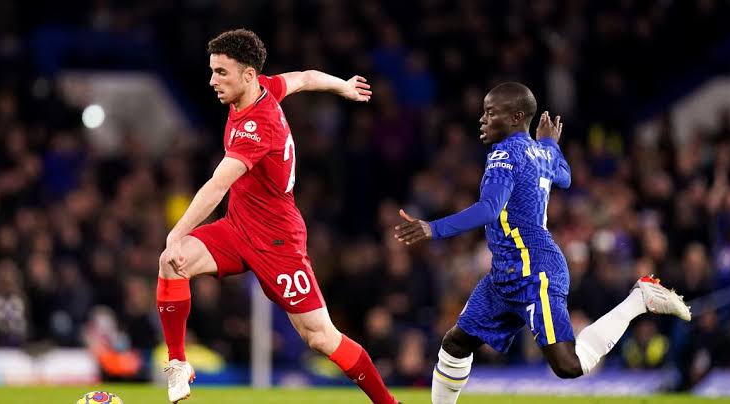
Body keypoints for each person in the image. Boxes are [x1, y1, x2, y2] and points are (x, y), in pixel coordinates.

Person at [394, 82, 691, 404]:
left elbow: (489, 208)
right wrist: (550, 145)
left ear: (516, 117)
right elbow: (565, 176)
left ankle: (639, 299)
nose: (481, 119)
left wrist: (433, 228)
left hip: (535, 271)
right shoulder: (541, 152)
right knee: (455, 343)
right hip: (505, 273)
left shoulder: (504, 153)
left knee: (568, 366)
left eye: (491, 113)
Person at [157, 29, 399, 404]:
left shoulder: (258, 126)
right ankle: (178, 363)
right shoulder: (264, 87)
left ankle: (389, 403)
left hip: (277, 241)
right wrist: (343, 87)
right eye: (212, 71)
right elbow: (304, 78)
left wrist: (176, 233)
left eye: (222, 72)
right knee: (172, 265)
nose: (212, 81)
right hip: (238, 228)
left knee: (320, 337)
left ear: (248, 75)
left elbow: (217, 186)